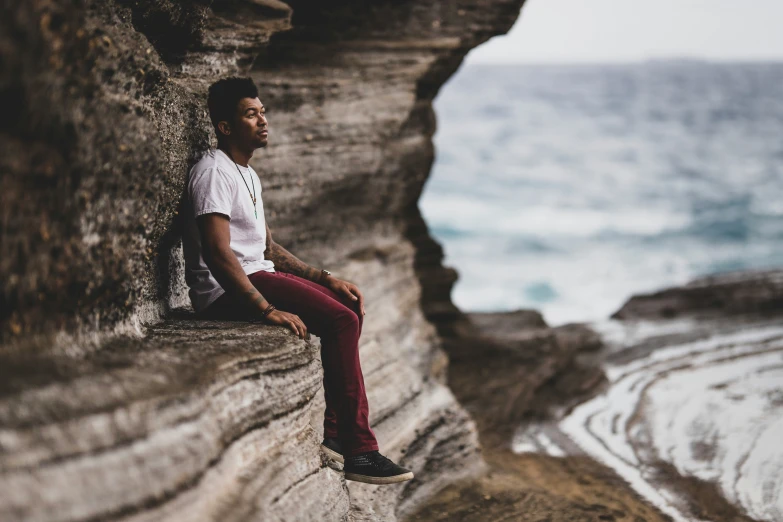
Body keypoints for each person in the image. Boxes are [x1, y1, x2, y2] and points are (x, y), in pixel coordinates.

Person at [181, 76, 414, 485]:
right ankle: (359, 449)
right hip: (226, 291)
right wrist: (265, 309)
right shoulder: (213, 172)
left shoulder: (248, 175)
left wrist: (326, 278)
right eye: (251, 114)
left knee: (349, 307)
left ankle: (339, 434)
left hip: (258, 274)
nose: (263, 120)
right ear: (226, 127)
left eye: (263, 112)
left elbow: (268, 249)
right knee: (340, 321)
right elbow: (219, 254)